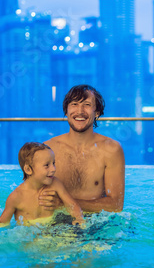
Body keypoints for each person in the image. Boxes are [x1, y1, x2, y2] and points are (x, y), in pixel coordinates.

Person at [39, 84, 125, 213]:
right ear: (66, 111)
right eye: (74, 104)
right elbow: (32, 196)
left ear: (97, 113)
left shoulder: (111, 149)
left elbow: (115, 206)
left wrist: (64, 204)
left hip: (95, 224)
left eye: (87, 105)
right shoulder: (48, 149)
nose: (80, 111)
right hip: (56, 223)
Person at [0, 142, 84, 233]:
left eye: (53, 163)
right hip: (29, 233)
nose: (53, 169)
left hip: (54, 227)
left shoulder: (55, 184)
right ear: (28, 169)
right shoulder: (16, 197)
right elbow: (3, 223)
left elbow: (72, 204)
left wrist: (79, 218)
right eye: (47, 165)